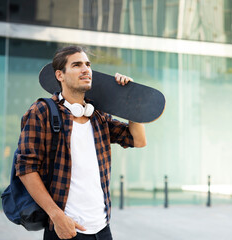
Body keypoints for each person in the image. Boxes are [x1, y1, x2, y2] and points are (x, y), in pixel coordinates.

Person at [16, 46, 146, 240]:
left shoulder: (98, 115)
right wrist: (57, 216)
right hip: (66, 229)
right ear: (60, 75)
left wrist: (128, 99)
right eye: (77, 65)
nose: (86, 69)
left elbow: (138, 140)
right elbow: (26, 168)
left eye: (88, 64)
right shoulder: (41, 111)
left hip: (102, 228)